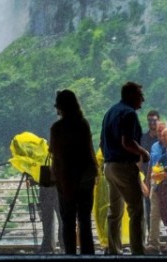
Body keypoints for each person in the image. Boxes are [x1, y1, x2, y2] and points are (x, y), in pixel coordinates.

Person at [100, 81, 150, 255]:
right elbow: (127, 142)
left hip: (108, 166)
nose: (142, 100)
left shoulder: (110, 112)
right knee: (136, 210)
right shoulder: (129, 114)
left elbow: (101, 142)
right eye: (139, 96)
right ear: (131, 95)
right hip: (123, 166)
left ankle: (114, 249)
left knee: (114, 211)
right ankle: (137, 252)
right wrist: (143, 152)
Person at [49, 90, 98, 254]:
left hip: (66, 179)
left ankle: (70, 255)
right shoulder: (83, 124)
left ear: (60, 107)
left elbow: (55, 155)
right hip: (86, 177)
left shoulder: (56, 128)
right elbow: (88, 151)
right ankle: (88, 255)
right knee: (84, 221)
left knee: (68, 221)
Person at [146, 121, 167, 254]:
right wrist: (148, 182)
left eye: (163, 131)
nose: (160, 134)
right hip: (156, 181)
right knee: (154, 213)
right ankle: (153, 243)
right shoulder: (154, 146)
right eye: (159, 131)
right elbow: (151, 164)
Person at [139, 110, 159, 243]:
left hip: (160, 175)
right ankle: (150, 237)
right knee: (147, 208)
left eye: (154, 120)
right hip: (145, 175)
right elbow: (139, 157)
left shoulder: (162, 138)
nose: (152, 123)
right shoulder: (143, 137)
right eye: (150, 120)